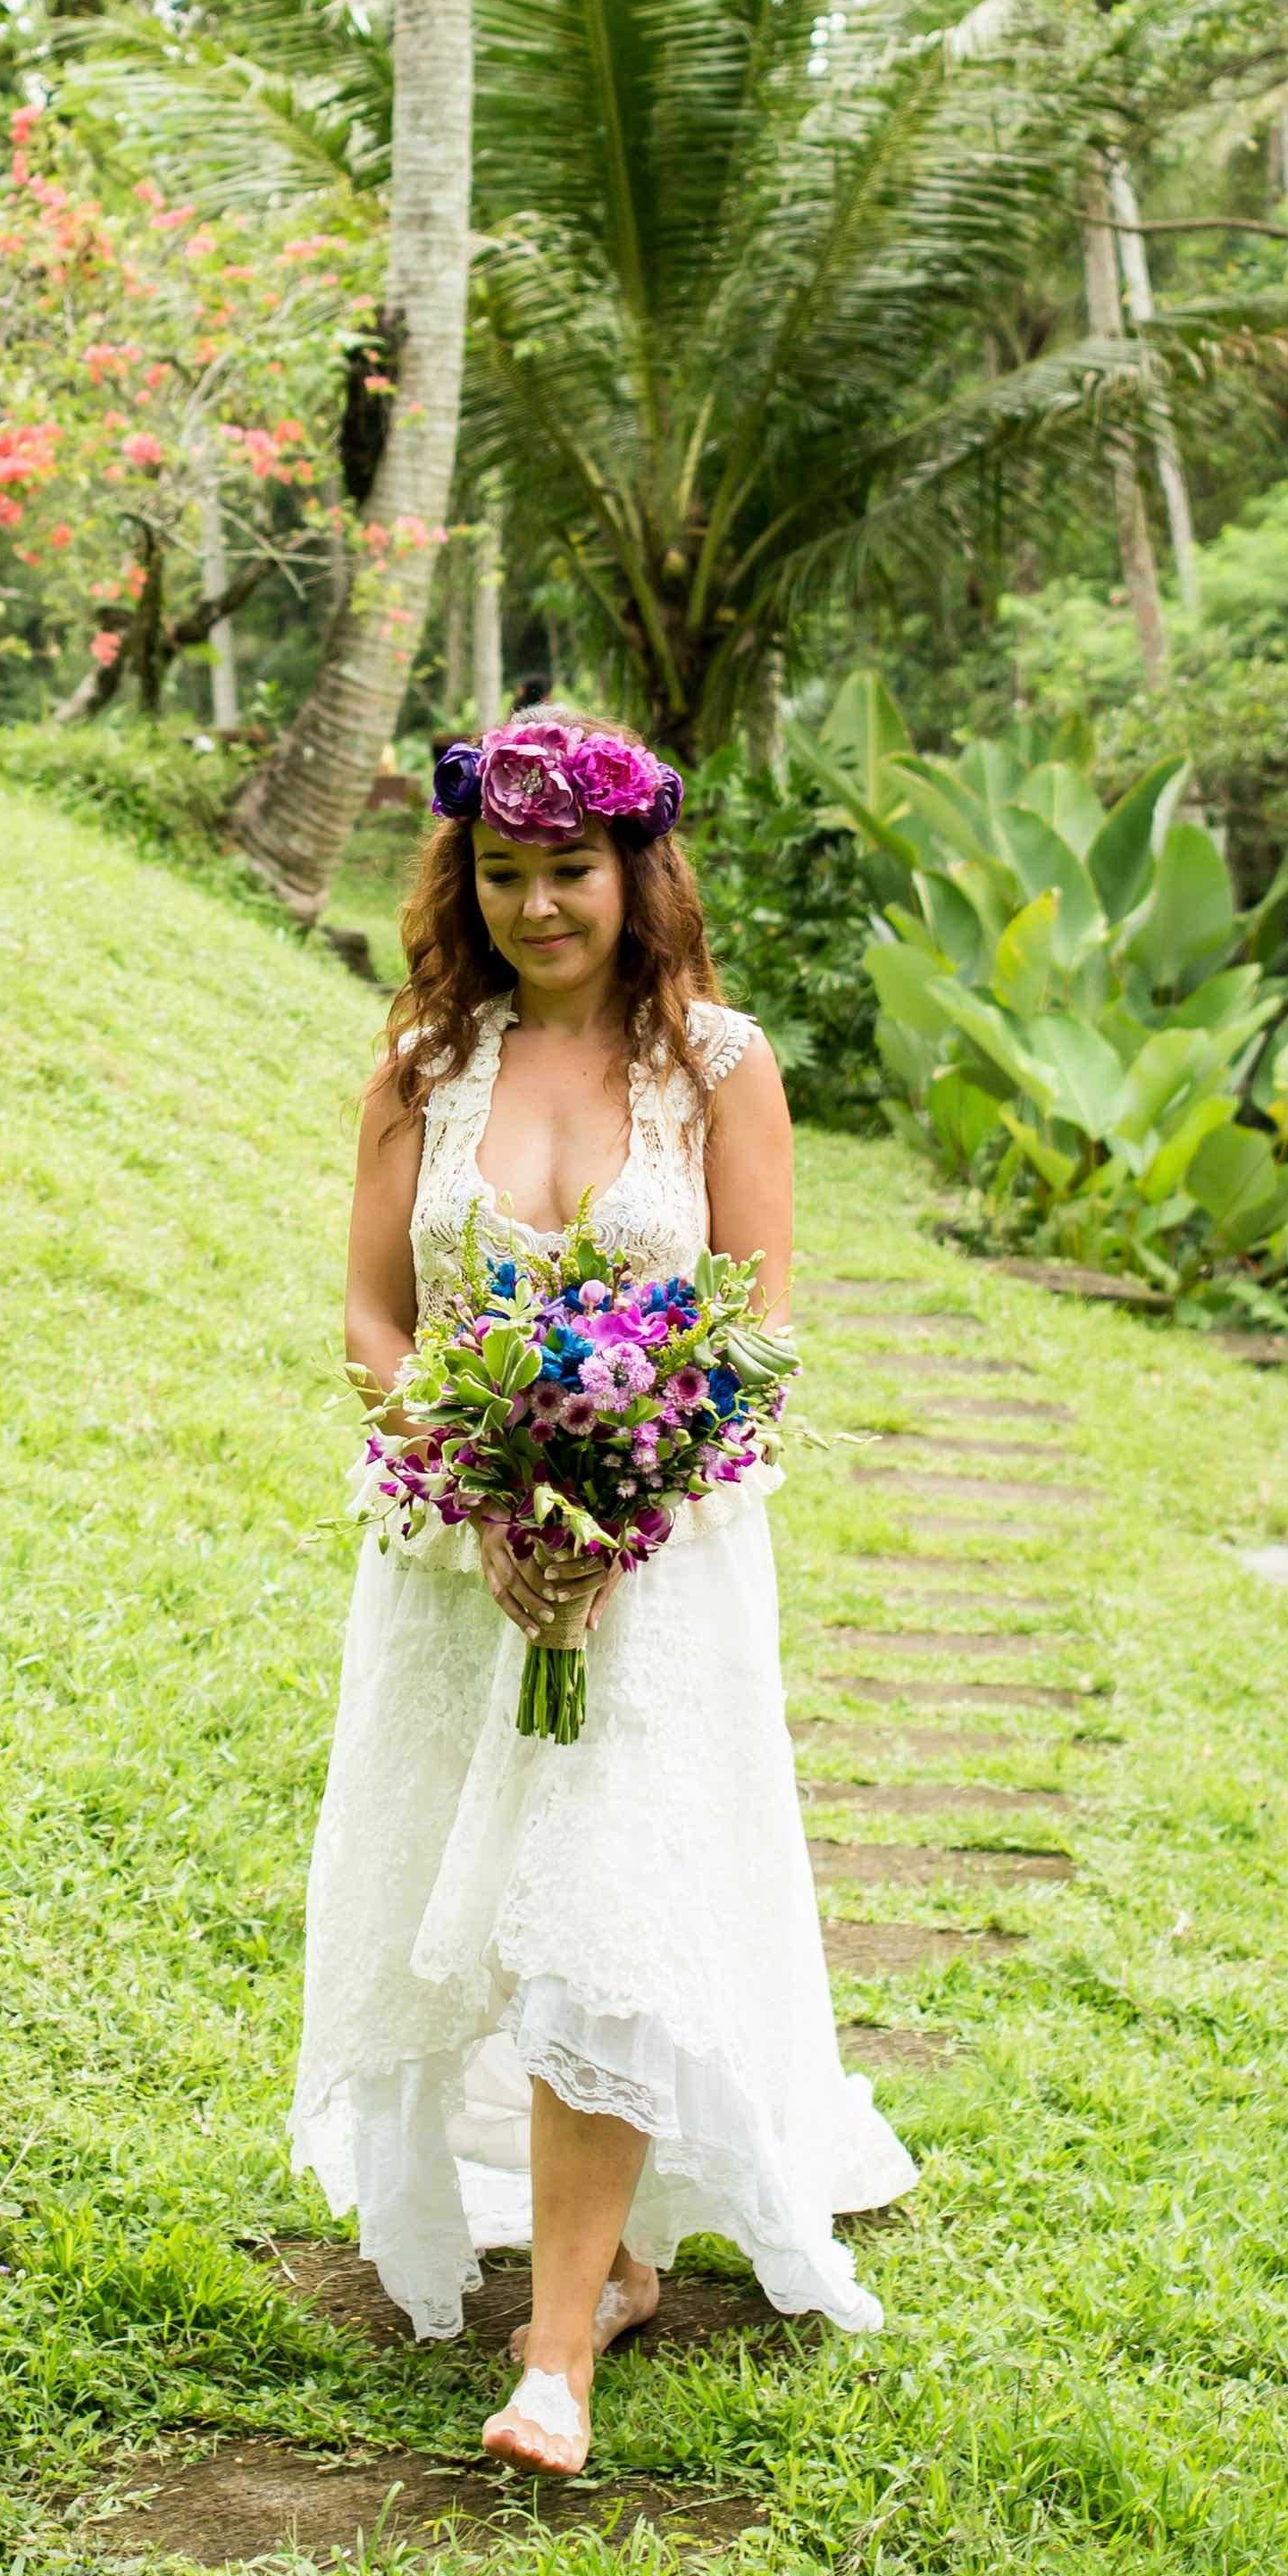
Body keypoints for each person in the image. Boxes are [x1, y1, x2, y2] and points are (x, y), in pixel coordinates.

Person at [297, 708, 916, 2479]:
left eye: (568, 867)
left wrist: (616, 1500)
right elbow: (371, 1315)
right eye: (500, 872)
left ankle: (555, 2346)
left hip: (656, 1566)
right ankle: (618, 2248)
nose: (536, 904)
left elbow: (757, 1329)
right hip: (453, 1557)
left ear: (637, 873)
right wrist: (482, 1473)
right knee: (478, 1905)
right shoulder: (425, 1062)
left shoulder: (717, 1064)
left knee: (601, 1911)